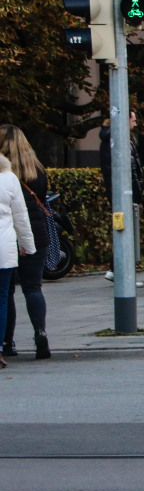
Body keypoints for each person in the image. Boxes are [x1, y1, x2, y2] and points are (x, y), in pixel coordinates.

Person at [99, 109, 144, 287]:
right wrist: (139, 196)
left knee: (123, 229)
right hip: (125, 194)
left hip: (117, 193)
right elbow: (131, 171)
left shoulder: (109, 140)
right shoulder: (120, 140)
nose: (135, 124)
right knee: (128, 230)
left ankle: (116, 268)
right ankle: (122, 271)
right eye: (133, 120)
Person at [0, 149, 38, 367]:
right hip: (3, 249)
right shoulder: (8, 178)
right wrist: (28, 245)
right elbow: (21, 216)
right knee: (2, 298)